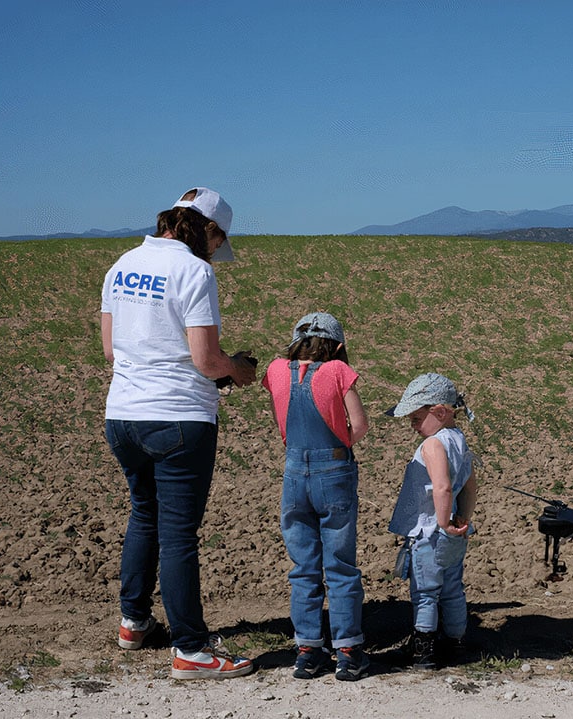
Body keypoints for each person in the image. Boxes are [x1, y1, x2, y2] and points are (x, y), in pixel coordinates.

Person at [101, 187, 257, 680]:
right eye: (219, 240)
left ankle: (134, 622)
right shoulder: (195, 272)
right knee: (179, 535)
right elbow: (206, 360)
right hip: (179, 419)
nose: (217, 251)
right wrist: (238, 370)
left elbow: (110, 350)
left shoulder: (121, 264)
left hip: (122, 416)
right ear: (208, 231)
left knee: (143, 514)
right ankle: (191, 649)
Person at [261, 312, 371, 681]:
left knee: (303, 566)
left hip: (294, 472)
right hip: (334, 472)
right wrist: (339, 448)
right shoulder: (339, 372)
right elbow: (359, 425)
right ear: (338, 346)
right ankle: (349, 651)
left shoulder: (277, 370)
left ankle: (308, 649)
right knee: (339, 565)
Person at [385, 373, 478, 669]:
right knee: (452, 590)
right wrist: (462, 517)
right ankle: (456, 645)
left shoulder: (432, 445)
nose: (413, 426)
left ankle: (423, 653)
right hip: (455, 530)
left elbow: (442, 487)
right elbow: (470, 486)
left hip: (430, 532)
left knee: (425, 593)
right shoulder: (459, 440)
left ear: (438, 412)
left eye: (415, 418)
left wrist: (442, 523)